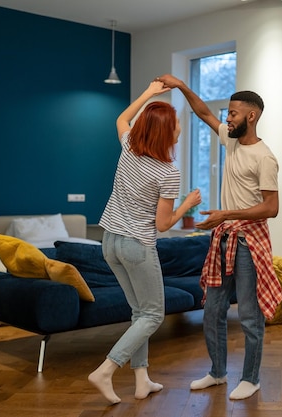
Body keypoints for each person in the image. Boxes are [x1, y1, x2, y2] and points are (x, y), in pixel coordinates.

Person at [158, 74, 282, 400]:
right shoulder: (230, 139)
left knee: (249, 316)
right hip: (224, 237)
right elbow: (203, 113)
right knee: (213, 311)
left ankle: (251, 379)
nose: (226, 118)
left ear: (251, 116)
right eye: (227, 113)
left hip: (248, 241)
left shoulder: (264, 157)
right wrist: (183, 86)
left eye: (233, 113)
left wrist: (224, 215)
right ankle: (217, 372)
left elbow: (271, 208)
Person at [88, 80, 201, 404]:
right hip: (137, 246)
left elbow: (121, 120)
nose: (180, 127)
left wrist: (150, 94)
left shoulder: (128, 148)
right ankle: (107, 369)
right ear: (167, 132)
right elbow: (163, 224)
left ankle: (142, 380)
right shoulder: (168, 171)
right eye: (177, 123)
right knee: (153, 315)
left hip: (109, 241)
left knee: (140, 313)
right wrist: (187, 205)